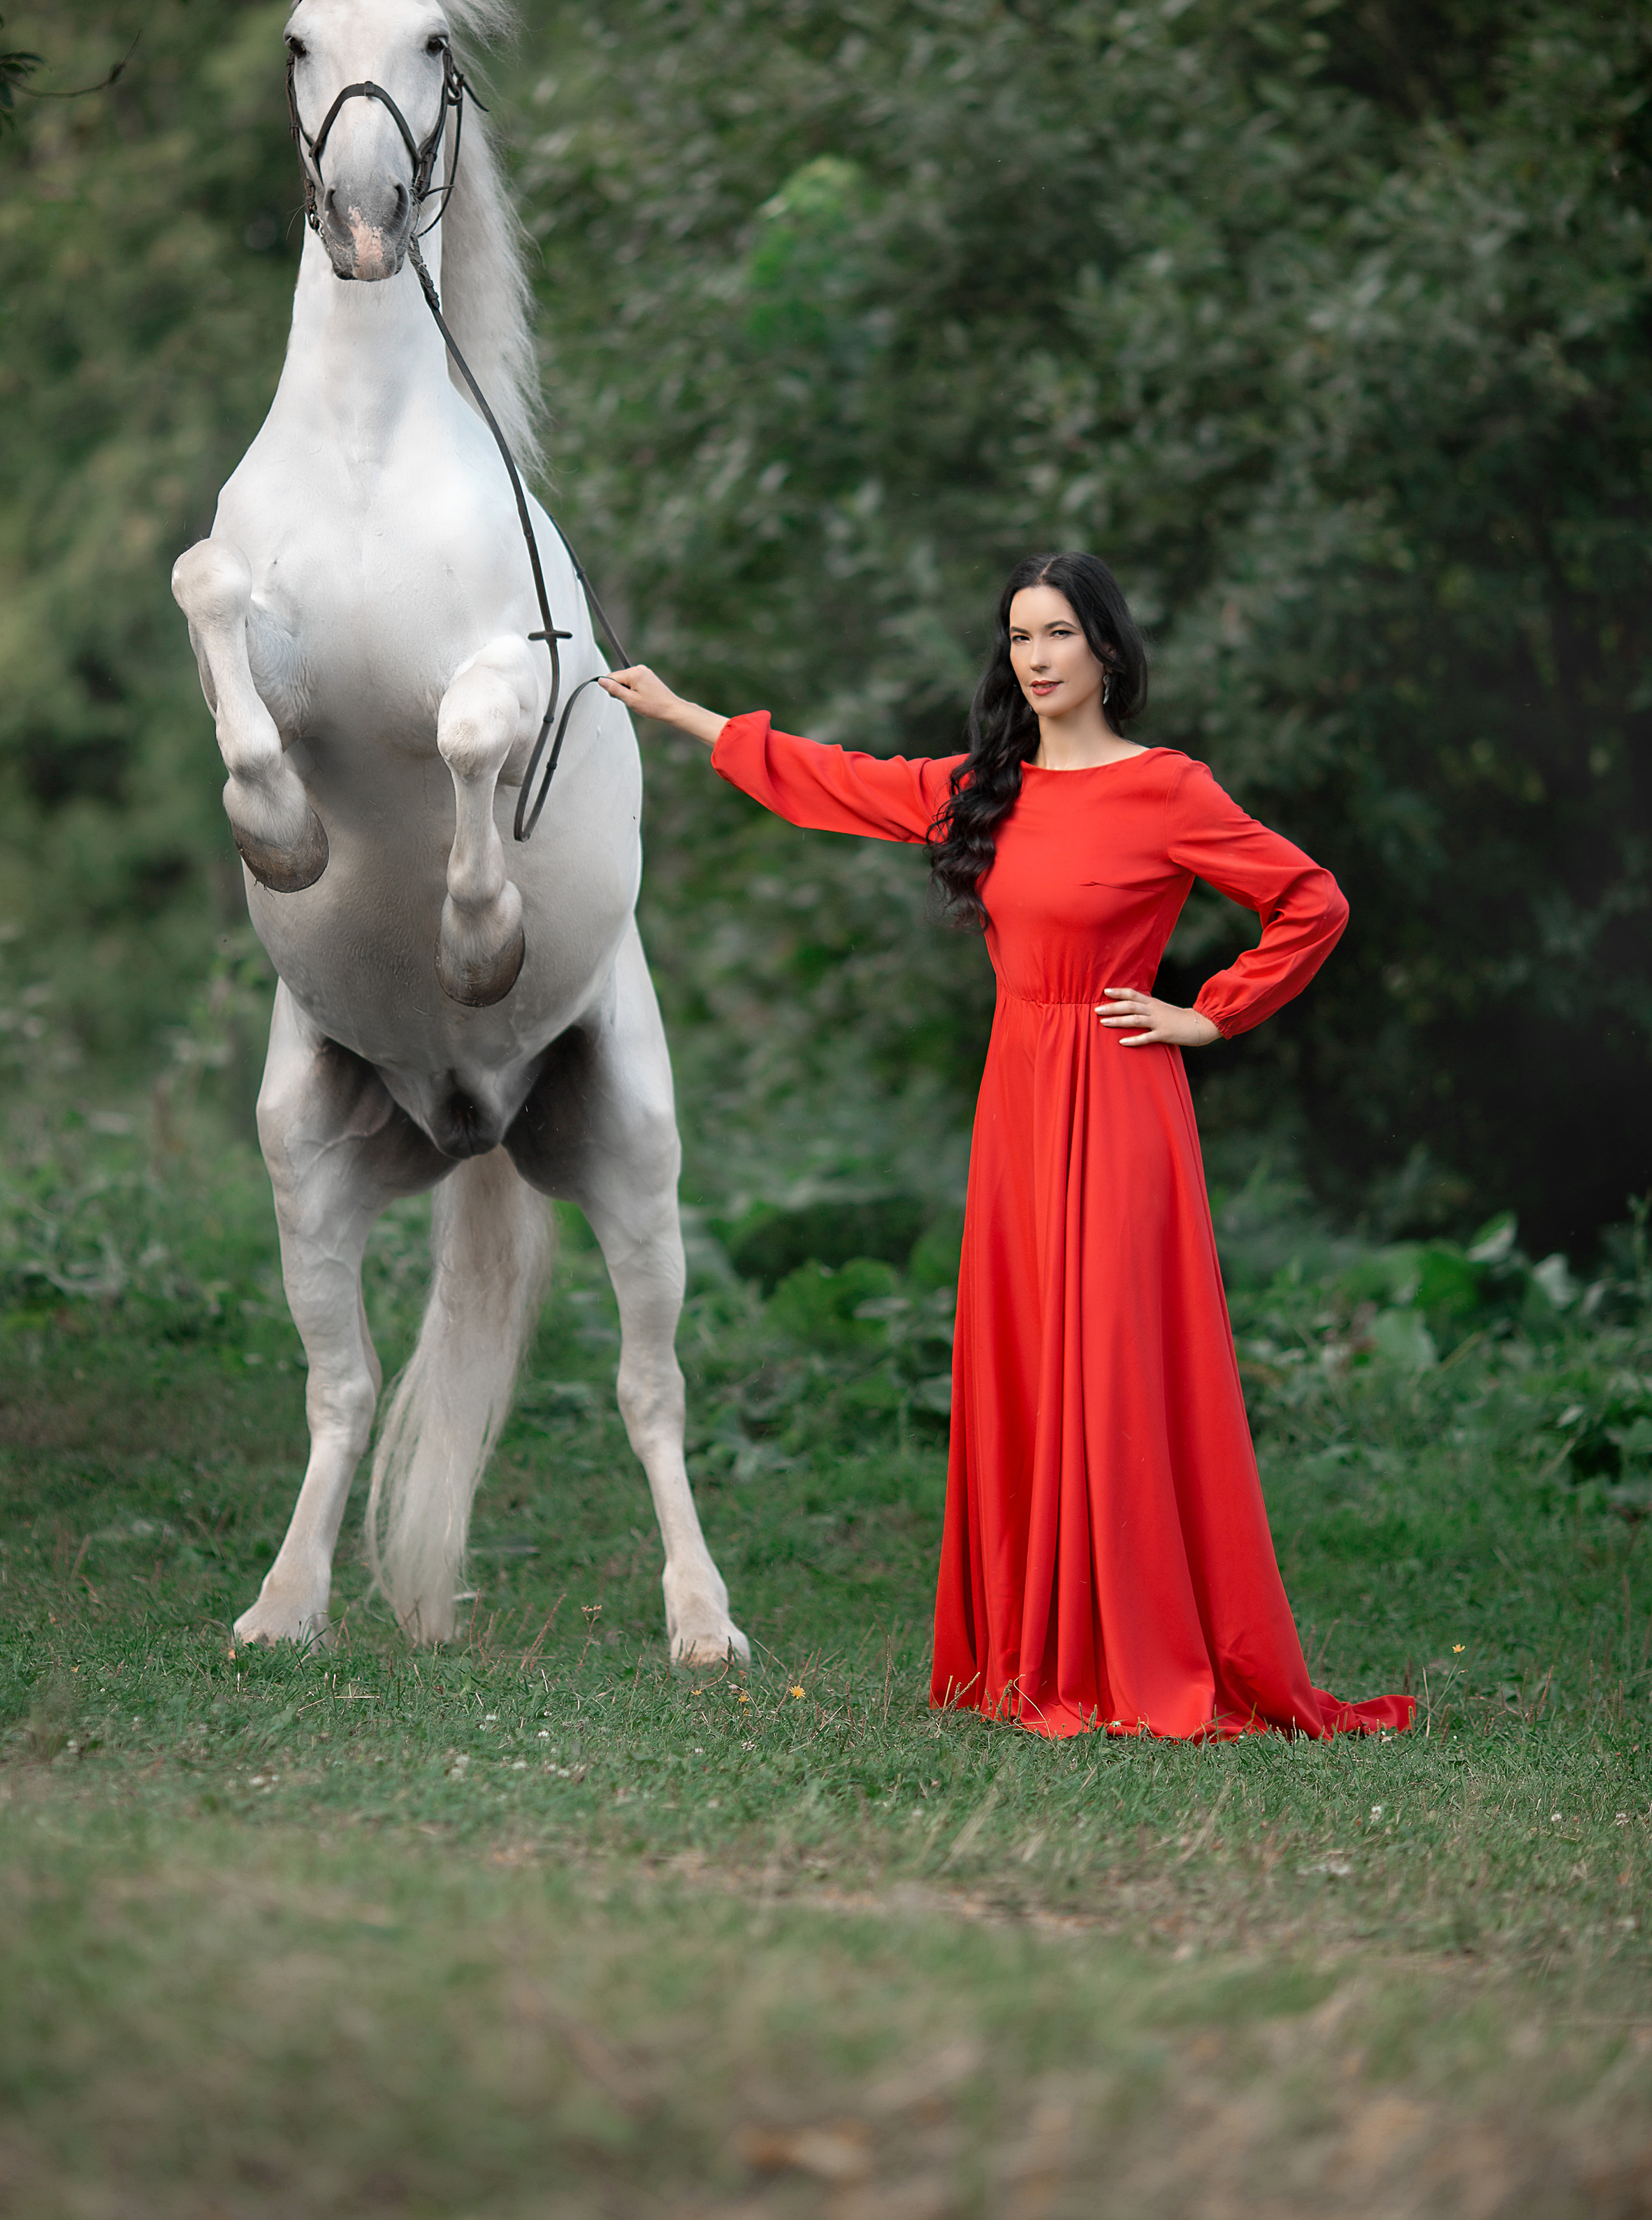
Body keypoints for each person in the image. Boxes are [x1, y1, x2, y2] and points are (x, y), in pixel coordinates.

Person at [602, 549, 1414, 1741]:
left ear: (1108, 652)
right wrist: (683, 713)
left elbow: (1312, 900)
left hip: (1125, 1100)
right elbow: (834, 779)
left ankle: (1136, 1646)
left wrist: (1209, 1011)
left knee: (1119, 1362)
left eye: (1060, 636)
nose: (1036, 659)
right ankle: (1035, 1641)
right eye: (1021, 638)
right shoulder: (985, 787)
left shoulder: (1170, 790)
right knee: (1030, 1358)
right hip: (1021, 1100)